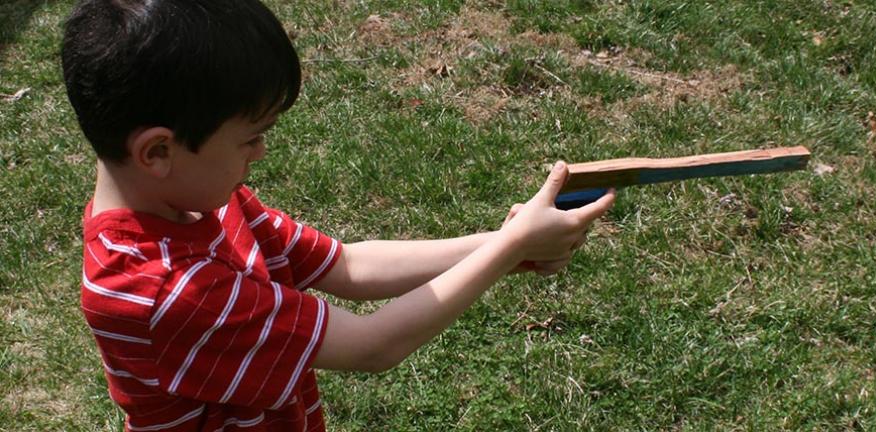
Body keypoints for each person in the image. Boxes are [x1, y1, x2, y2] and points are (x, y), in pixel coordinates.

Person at [62, 0, 616, 430]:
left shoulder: (194, 201)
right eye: (250, 138)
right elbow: (374, 345)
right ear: (158, 152)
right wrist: (511, 248)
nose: (259, 153)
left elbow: (347, 267)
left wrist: (503, 242)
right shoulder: (161, 290)